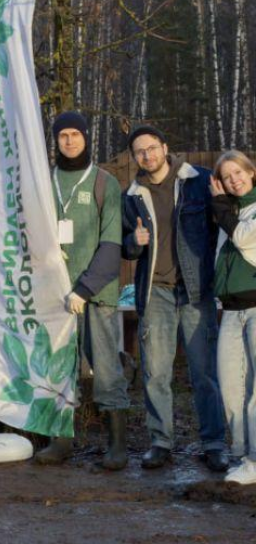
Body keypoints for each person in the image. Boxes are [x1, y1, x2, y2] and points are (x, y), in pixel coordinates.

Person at [122, 125, 228, 471]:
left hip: (197, 292)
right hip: (156, 293)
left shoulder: (199, 180)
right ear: (135, 157)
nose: (147, 156)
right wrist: (134, 242)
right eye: (140, 151)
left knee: (204, 373)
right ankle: (161, 442)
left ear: (165, 147)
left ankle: (213, 443)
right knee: (156, 373)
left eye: (152, 148)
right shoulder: (133, 195)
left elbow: (227, 221)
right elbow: (125, 247)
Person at [30, 112, 129, 468]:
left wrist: (84, 289)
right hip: (53, 295)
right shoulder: (44, 182)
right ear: (55, 141)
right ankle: (60, 440)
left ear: (86, 137)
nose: (69, 141)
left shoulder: (105, 183)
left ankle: (117, 443)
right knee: (57, 367)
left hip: (94, 295)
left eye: (75, 134)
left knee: (105, 367)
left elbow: (111, 244)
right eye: (62, 136)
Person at [209, 150, 256, 484]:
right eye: (227, 177)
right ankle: (241, 453)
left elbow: (245, 239)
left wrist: (222, 207)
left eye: (238, 172)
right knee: (230, 386)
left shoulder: (237, 213)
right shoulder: (231, 212)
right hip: (230, 309)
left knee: (255, 389)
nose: (234, 179)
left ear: (251, 172)